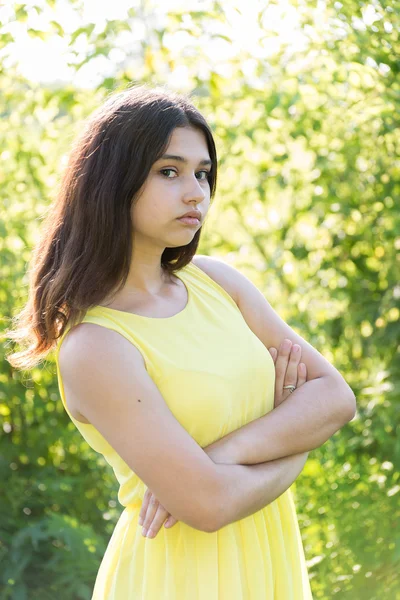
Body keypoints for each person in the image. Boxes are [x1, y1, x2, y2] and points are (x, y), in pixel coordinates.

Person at [4, 83, 356, 599]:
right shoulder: (97, 345)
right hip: (175, 577)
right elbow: (207, 506)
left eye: (203, 173)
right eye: (169, 172)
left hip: (268, 562)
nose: (196, 192)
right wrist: (296, 441)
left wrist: (224, 454)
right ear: (112, 182)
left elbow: (337, 398)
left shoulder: (219, 283)